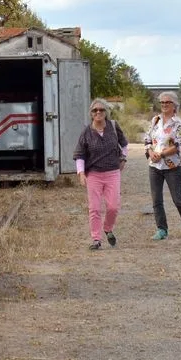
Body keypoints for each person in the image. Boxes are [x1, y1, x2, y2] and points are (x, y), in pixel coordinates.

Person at [73, 99, 129, 250]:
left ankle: (108, 228)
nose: (98, 112)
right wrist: (81, 173)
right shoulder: (86, 132)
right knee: (95, 208)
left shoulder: (113, 126)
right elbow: (79, 154)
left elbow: (124, 144)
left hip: (112, 172)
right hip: (94, 174)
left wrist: (123, 158)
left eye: (101, 110)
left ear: (106, 112)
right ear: (91, 114)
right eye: (95, 110)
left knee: (113, 207)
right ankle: (96, 239)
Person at [144, 91, 181, 240]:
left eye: (167, 102)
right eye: (162, 102)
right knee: (156, 200)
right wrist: (150, 151)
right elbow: (147, 138)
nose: (164, 105)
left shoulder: (178, 123)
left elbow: (177, 145)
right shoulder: (155, 120)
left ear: (174, 105)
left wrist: (161, 154)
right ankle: (162, 229)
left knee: (177, 198)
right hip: (154, 166)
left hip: (172, 166)